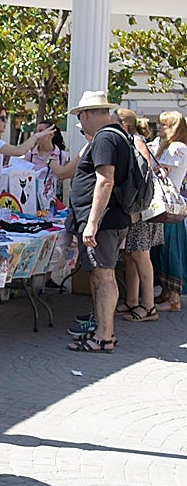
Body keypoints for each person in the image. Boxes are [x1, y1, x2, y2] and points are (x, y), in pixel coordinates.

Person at [65, 91, 131, 353]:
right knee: (104, 275)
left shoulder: (105, 138)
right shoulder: (118, 135)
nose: (80, 124)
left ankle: (104, 336)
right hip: (111, 219)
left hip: (104, 221)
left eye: (81, 118)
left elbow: (105, 180)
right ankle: (105, 331)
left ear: (87, 114)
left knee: (103, 277)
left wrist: (92, 223)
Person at [114, 108, 162, 321]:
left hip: (141, 208)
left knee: (141, 255)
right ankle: (132, 300)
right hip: (132, 207)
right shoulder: (128, 141)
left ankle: (149, 306)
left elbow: (144, 172)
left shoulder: (136, 141)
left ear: (123, 124)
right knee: (130, 254)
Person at [0, 105, 54, 209]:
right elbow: (19, 151)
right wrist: (36, 136)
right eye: (2, 118)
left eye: (6, 118)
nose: (6, 122)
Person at [153, 109, 187, 313]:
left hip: (171, 207)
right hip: (166, 206)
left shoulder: (177, 147)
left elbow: (161, 172)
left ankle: (174, 298)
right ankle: (166, 292)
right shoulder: (170, 146)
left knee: (171, 251)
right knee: (163, 251)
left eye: (163, 124)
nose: (159, 127)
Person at [24, 120, 76, 207]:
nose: (37, 134)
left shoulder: (63, 156)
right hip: (33, 203)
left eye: (40, 131)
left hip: (56, 204)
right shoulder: (30, 156)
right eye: (36, 131)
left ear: (51, 135)